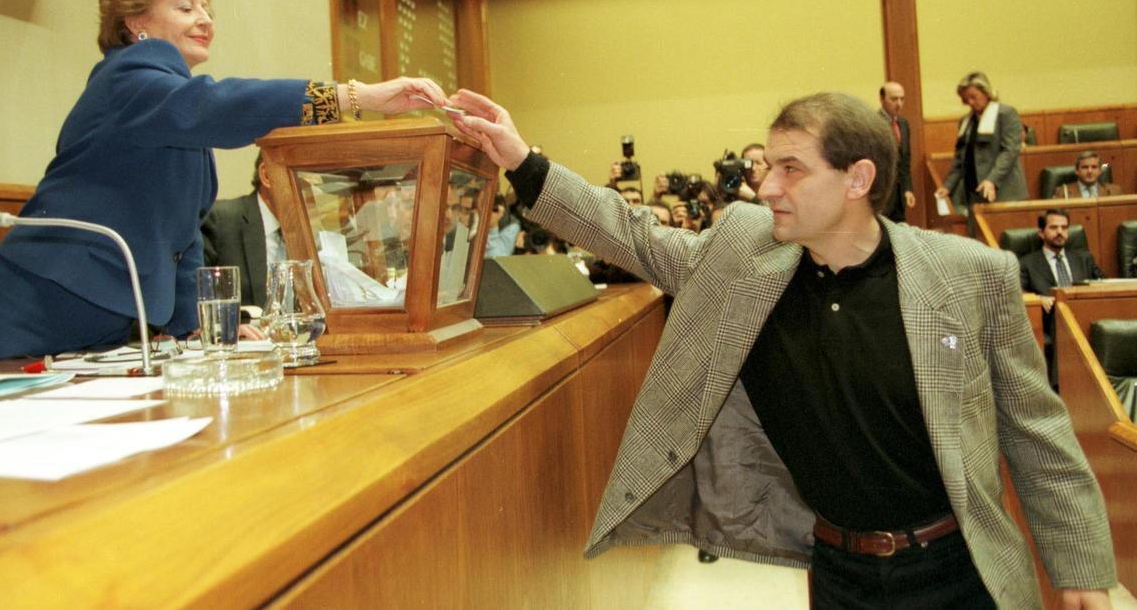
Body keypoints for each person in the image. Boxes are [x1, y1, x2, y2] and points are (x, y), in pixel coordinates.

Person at [449, 88, 1115, 609]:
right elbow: (633, 234)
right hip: (837, 570)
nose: (767, 187)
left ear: (858, 179)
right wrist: (521, 161)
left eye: (792, 169)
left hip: (957, 566)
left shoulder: (972, 275)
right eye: (768, 167)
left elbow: (1036, 431)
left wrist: (1081, 563)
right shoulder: (745, 251)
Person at [0, 0, 446, 362]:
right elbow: (220, 103)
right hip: (46, 310)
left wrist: (197, 327)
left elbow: (183, 240)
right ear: (136, 23)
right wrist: (353, 96)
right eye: (185, 7)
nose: (205, 19)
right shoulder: (128, 81)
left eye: (207, 8)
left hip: (113, 320)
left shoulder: (171, 106)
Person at [1018, 208, 1106, 390]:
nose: (1060, 232)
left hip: (1087, 313)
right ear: (1041, 233)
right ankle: (1062, 387)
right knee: (1062, 318)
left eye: (1064, 228)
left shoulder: (1084, 259)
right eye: (1054, 227)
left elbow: (1102, 285)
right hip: (1051, 317)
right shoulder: (1027, 263)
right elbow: (1015, 291)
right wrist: (1037, 298)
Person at [937, 72, 1027, 226]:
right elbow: (960, 158)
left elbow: (1010, 151)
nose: (970, 102)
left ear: (986, 92)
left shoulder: (1006, 114)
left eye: (973, 96)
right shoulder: (966, 121)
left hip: (1003, 190)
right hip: (974, 191)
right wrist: (948, 186)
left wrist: (992, 180)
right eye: (966, 99)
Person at [201, 152, 282, 308]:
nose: (312, 184)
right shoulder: (218, 220)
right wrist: (232, 325)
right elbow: (194, 302)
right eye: (300, 172)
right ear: (266, 175)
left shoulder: (312, 234)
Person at [878, 81, 914, 222]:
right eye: (894, 99)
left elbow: (905, 160)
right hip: (883, 195)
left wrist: (908, 189)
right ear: (882, 99)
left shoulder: (903, 124)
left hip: (900, 194)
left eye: (902, 99)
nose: (898, 103)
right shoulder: (874, 123)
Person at [1055, 150, 1122, 199]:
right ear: (1076, 170)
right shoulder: (1062, 192)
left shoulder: (1114, 191)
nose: (1090, 171)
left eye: (1094, 167)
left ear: (1100, 171)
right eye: (1085, 167)